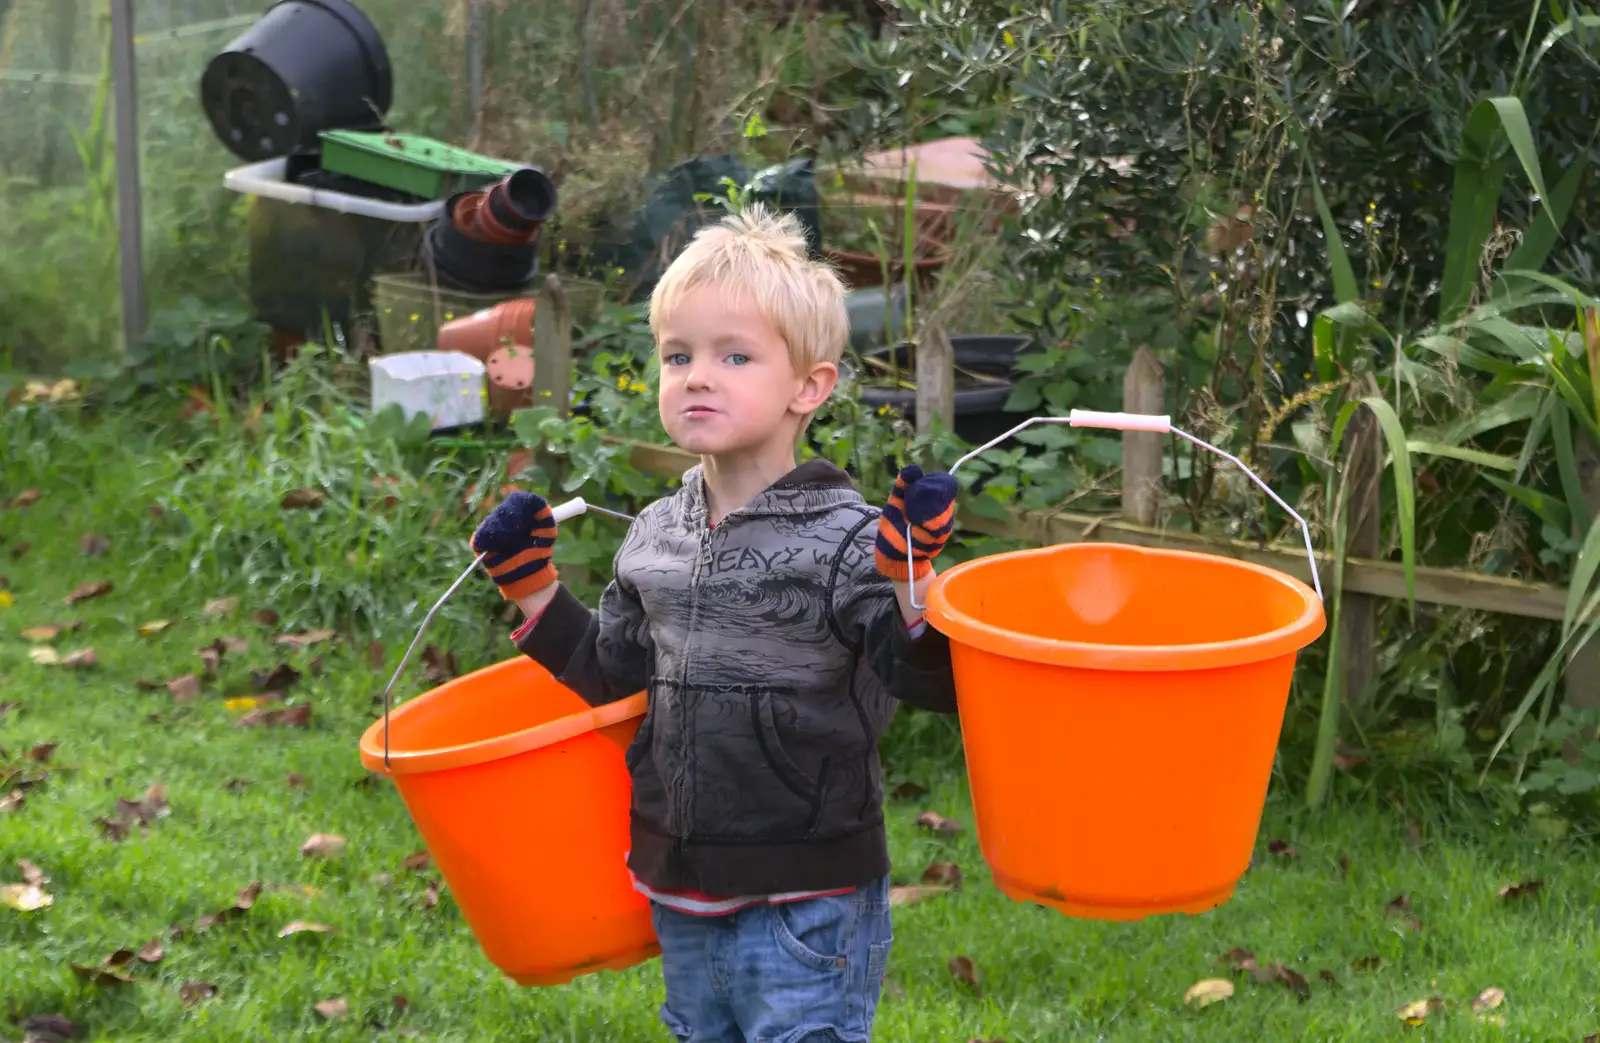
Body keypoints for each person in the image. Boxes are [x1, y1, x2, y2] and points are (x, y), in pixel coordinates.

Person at [469, 203, 962, 1043]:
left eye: (735, 355)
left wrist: (913, 575)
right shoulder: (656, 532)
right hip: (681, 882)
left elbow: (929, 678)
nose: (698, 374)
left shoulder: (847, 540)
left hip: (808, 895)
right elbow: (612, 673)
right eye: (678, 355)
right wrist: (533, 591)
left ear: (809, 385)